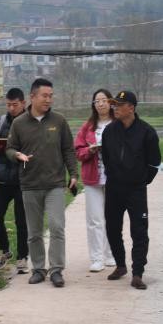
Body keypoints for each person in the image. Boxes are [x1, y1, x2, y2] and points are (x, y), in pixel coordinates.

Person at [6, 78, 78, 288]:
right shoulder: (19, 123)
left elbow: (68, 149)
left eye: (51, 96)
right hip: (30, 184)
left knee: (57, 226)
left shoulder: (59, 121)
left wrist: (73, 174)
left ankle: (56, 270)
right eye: (44, 96)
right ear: (33, 97)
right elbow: (9, 148)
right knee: (34, 231)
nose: (48, 100)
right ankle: (38, 269)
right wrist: (17, 155)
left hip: (55, 183)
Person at [101, 90, 161, 290]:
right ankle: (120, 265)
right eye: (114, 104)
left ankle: (137, 273)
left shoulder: (147, 132)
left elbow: (154, 163)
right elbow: (106, 158)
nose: (115, 108)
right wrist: (114, 175)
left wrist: (141, 180)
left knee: (139, 231)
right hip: (114, 188)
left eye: (119, 105)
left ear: (131, 108)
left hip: (136, 190)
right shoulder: (109, 131)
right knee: (112, 228)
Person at [74, 88, 117, 273]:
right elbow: (78, 151)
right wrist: (89, 150)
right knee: (94, 219)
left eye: (103, 100)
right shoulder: (88, 126)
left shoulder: (118, 124)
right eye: (97, 101)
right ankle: (97, 258)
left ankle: (110, 254)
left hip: (114, 178)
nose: (100, 104)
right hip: (93, 178)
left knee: (112, 217)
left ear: (111, 102)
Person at [0, 88, 29, 274]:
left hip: (23, 179)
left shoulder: (31, 123)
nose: (11, 108)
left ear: (23, 103)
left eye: (15, 104)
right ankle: (4, 251)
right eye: (8, 104)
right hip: (1, 179)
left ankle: (22, 257)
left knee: (22, 221)